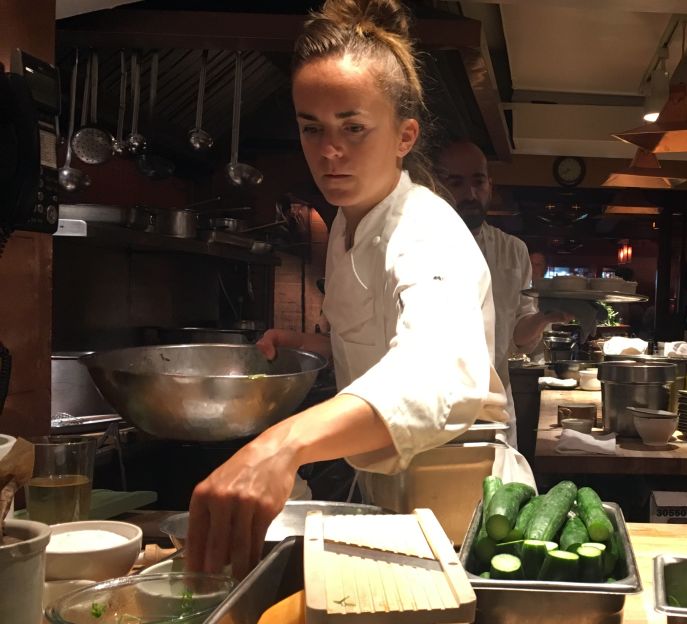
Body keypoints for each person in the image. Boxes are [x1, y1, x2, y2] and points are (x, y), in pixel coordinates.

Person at [186, 0, 510, 579]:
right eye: (313, 128)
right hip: (394, 489)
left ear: (405, 135)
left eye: (353, 127)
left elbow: (438, 371)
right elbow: (380, 337)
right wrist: (304, 341)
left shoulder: (427, 228)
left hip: (468, 505)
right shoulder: (346, 222)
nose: (329, 150)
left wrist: (280, 444)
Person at [434, 140, 572, 446]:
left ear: (489, 184)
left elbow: (518, 338)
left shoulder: (513, 251)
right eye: (455, 182)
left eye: (478, 181)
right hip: (433, 410)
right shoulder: (416, 245)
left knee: (501, 490)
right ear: (435, 186)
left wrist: (543, 319)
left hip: (494, 405)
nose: (470, 194)